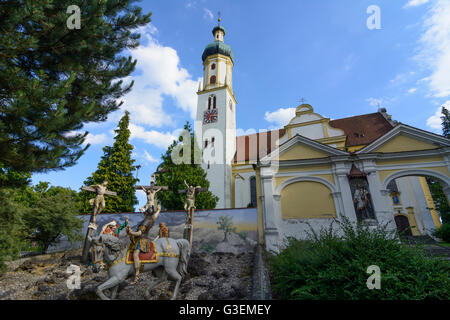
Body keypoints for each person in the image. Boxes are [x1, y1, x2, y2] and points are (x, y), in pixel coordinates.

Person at [126, 205, 161, 284]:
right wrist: (158, 210)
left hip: (141, 240)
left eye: (144, 212)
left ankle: (137, 274)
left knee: (135, 254)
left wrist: (130, 232)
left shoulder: (146, 221)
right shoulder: (152, 219)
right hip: (142, 239)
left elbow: (139, 233)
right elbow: (155, 215)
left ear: (146, 213)